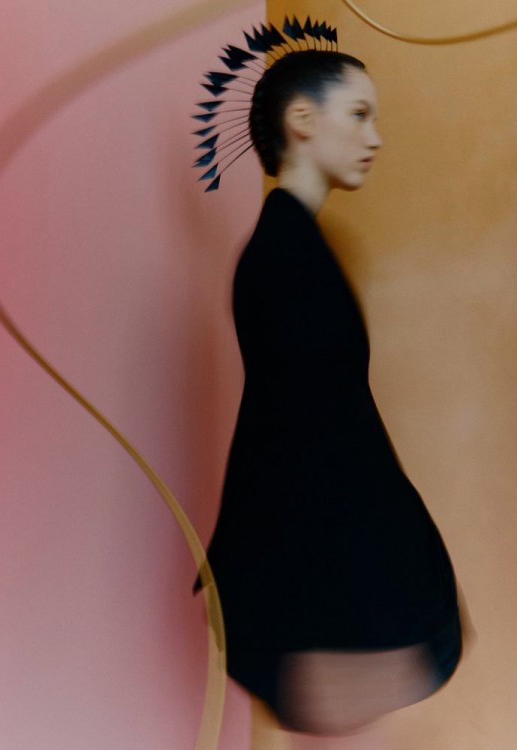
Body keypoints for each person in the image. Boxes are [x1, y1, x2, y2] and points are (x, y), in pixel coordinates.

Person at [193, 43, 465, 737]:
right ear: (304, 120)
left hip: (324, 575)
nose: (376, 138)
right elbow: (306, 427)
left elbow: (314, 416)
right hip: (324, 584)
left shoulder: (294, 247)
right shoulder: (286, 255)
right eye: (360, 114)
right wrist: (366, 584)